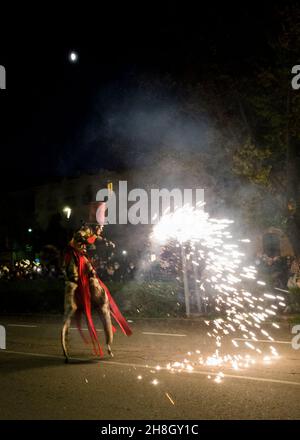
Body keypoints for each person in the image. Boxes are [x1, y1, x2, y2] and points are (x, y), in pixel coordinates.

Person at [61, 224, 132, 362]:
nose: (101, 230)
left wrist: (105, 242)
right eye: (101, 228)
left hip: (79, 257)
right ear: (96, 226)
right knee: (78, 278)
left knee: (91, 273)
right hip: (75, 259)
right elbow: (81, 237)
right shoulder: (85, 231)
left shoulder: (92, 234)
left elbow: (96, 238)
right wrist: (91, 241)